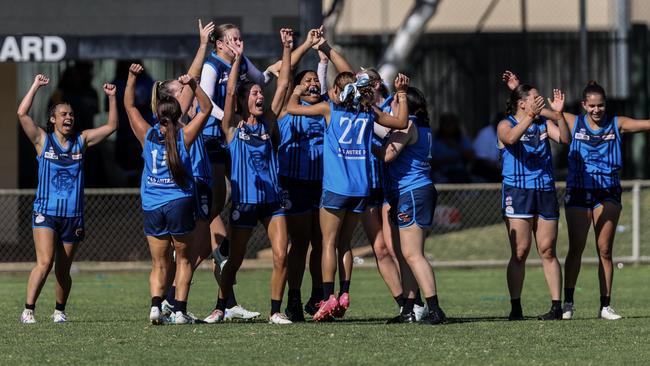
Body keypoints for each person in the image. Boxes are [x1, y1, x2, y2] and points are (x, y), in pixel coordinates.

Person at [286, 66, 410, 321]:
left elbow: (291, 109)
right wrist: (401, 94)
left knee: (328, 243)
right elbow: (401, 122)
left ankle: (329, 297)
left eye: (331, 88)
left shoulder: (328, 109)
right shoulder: (367, 112)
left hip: (336, 188)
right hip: (361, 190)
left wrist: (296, 91)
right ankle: (344, 293)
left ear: (338, 92)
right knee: (345, 243)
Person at [205, 29, 293, 324]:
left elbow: (283, 85)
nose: (259, 95)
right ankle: (221, 306)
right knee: (236, 260)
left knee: (282, 254)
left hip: (272, 201)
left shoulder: (268, 123)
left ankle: (276, 311)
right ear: (244, 101)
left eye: (259, 92)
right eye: (254, 93)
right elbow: (229, 93)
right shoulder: (231, 127)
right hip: (245, 202)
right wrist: (238, 60)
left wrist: (287, 48)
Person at [18, 74, 118, 323]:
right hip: (46, 212)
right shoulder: (43, 141)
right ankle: (28, 310)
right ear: (52, 119)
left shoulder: (81, 141)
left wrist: (112, 97)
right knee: (44, 262)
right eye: (63, 114)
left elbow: (112, 127)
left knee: (63, 270)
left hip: (73, 216)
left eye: (71, 114)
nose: (68, 118)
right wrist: (36, 86)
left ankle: (59, 311)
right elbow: (22, 114)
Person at [124, 63, 212, 324]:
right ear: (177, 114)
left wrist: (130, 78)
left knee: (158, 263)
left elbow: (129, 106)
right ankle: (180, 312)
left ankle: (154, 307)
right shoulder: (184, 136)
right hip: (179, 203)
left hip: (152, 205)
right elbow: (206, 109)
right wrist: (194, 86)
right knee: (184, 260)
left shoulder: (147, 134)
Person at [561, 82, 650, 320]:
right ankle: (568, 303)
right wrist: (518, 90)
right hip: (579, 190)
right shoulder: (573, 121)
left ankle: (605, 306)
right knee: (576, 248)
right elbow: (536, 110)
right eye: (592, 105)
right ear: (584, 105)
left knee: (605, 250)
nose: (597, 109)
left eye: (601, 105)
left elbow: (645, 124)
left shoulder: (617, 123)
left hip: (608, 190)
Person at [199, 23, 272, 281]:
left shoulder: (241, 61)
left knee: (241, 189)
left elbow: (261, 79)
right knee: (218, 199)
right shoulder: (212, 66)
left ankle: (225, 247)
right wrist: (230, 120)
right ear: (219, 44)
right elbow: (206, 103)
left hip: (233, 134)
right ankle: (197, 241)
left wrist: (274, 69)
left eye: (240, 37)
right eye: (232, 38)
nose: (237, 42)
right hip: (213, 135)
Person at [497, 83, 570, 320]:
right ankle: (516, 307)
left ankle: (556, 307)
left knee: (548, 250)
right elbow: (510, 139)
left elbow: (565, 139)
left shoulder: (543, 123)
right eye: (536, 98)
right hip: (518, 191)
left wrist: (558, 115)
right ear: (522, 103)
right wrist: (530, 116)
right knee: (520, 251)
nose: (541, 101)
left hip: (545, 190)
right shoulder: (505, 124)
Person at [362, 68, 427, 320]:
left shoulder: (394, 103)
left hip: (392, 185)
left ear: (377, 84)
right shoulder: (357, 107)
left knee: (398, 248)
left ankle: (416, 302)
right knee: (380, 249)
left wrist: (367, 119)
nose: (360, 84)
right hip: (366, 183)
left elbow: (395, 128)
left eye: (364, 79)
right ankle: (404, 305)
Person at [380, 86, 446, 324]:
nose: (392, 108)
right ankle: (408, 309)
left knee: (412, 254)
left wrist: (362, 143)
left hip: (413, 192)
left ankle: (435, 309)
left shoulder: (408, 124)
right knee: (405, 254)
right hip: (410, 192)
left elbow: (388, 155)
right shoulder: (416, 124)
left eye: (396, 102)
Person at [431, 113, 475, 183]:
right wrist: (446, 160)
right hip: (441, 172)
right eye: (446, 124)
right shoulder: (435, 140)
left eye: (452, 124)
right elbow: (429, 162)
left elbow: (471, 157)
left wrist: (457, 147)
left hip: (460, 172)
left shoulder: (462, 139)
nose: (449, 127)